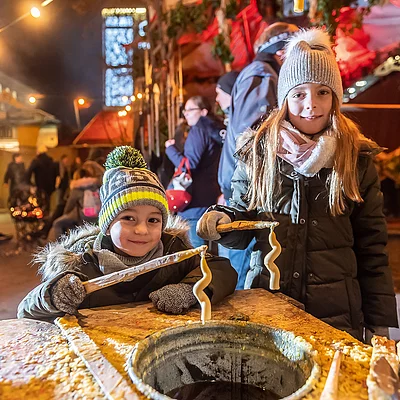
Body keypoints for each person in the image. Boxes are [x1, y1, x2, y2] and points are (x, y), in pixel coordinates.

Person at [196, 28, 398, 342]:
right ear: (285, 97)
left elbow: (372, 247)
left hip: (336, 315)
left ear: (335, 97)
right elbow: (241, 217)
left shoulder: (354, 157)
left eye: (322, 92)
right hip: (270, 304)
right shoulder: (259, 152)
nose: (311, 104)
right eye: (299, 93)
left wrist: (380, 323)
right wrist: (223, 220)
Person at [18, 146, 237, 321]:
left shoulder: (175, 253)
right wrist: (53, 296)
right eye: (128, 218)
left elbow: (221, 269)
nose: (142, 229)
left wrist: (190, 290)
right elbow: (26, 312)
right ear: (107, 223)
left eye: (153, 220)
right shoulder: (80, 265)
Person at [165, 96, 225, 247]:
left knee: (195, 256)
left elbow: (189, 165)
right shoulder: (215, 132)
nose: (186, 114)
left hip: (194, 203)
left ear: (203, 112)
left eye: (190, 109)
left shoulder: (198, 130)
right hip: (209, 196)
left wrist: (170, 150)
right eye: (185, 110)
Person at [48, 160, 105, 240]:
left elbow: (69, 206)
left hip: (84, 218)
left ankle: (61, 247)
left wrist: (66, 214)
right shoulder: (102, 185)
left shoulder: (78, 187)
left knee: (57, 223)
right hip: (100, 218)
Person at [26, 145, 58, 215]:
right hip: (50, 185)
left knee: (39, 201)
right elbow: (56, 173)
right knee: (47, 200)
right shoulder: (51, 161)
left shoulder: (36, 161)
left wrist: (30, 183)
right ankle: (47, 214)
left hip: (39, 185)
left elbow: (29, 172)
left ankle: (40, 215)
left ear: (38, 152)